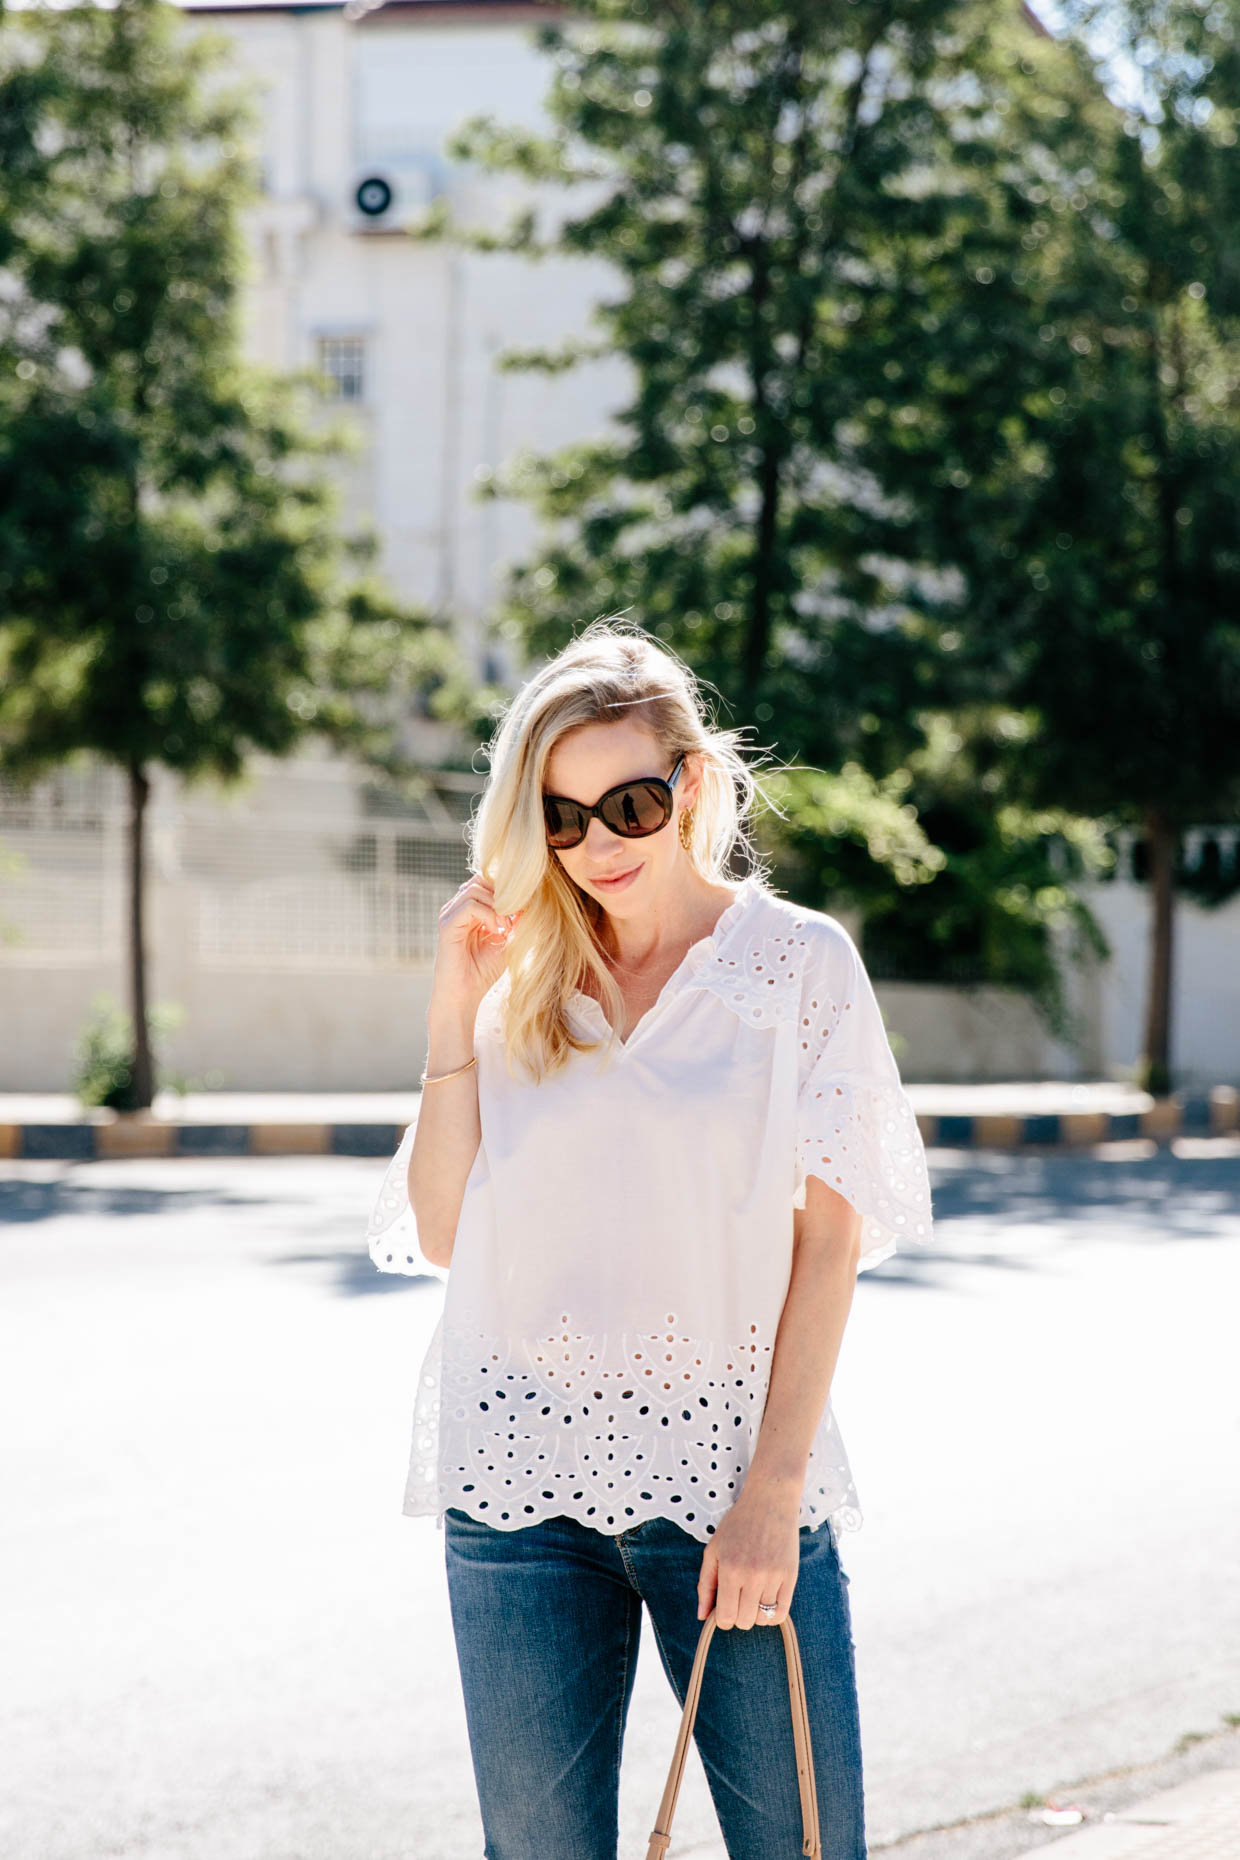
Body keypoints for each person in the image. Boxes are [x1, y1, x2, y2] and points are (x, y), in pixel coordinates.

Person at [366, 619, 933, 1860]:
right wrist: (453, 1017)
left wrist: (773, 1494)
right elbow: (444, 1228)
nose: (594, 846)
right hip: (516, 1492)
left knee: (802, 1845)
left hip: (728, 1481)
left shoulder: (797, 967)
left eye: (625, 803)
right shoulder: (519, 985)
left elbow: (826, 1251)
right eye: (560, 819)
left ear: (692, 781)